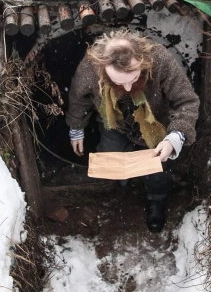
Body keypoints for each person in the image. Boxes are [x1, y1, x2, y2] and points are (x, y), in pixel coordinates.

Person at [66, 29, 200, 232]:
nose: (128, 88)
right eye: (119, 82)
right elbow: (78, 97)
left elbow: (187, 101)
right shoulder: (91, 66)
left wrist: (175, 137)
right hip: (114, 123)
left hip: (155, 124)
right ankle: (121, 184)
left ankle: (156, 200)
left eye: (134, 78)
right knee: (110, 157)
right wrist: (76, 127)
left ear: (143, 61)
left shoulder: (160, 60)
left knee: (159, 170)